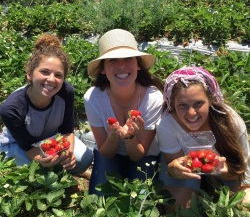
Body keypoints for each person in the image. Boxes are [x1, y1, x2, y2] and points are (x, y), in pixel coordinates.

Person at [83, 28, 164, 195]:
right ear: (103, 69)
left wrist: (130, 136)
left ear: (137, 65)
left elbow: (138, 155)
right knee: (100, 198)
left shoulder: (153, 98)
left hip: (144, 156)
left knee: (137, 199)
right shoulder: (93, 98)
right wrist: (113, 137)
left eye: (128, 59)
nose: (121, 66)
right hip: (111, 154)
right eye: (112, 60)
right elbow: (106, 152)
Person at [156, 66, 250, 207]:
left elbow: (241, 172)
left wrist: (223, 172)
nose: (192, 113)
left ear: (211, 99)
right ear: (173, 104)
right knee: (177, 206)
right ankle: (195, 189)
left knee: (246, 206)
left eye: (198, 103)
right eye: (182, 105)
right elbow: (173, 164)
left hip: (229, 170)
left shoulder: (230, 122)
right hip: (188, 172)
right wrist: (175, 169)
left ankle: (209, 186)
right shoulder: (166, 124)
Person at [0, 33, 93, 175]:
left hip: (48, 140)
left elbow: (67, 130)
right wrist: (41, 159)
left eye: (58, 75)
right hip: (17, 145)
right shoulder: (12, 108)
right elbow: (28, 147)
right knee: (38, 174)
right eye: (44, 72)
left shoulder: (66, 92)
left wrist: (68, 153)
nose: (51, 79)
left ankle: (73, 171)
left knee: (83, 159)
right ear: (29, 73)